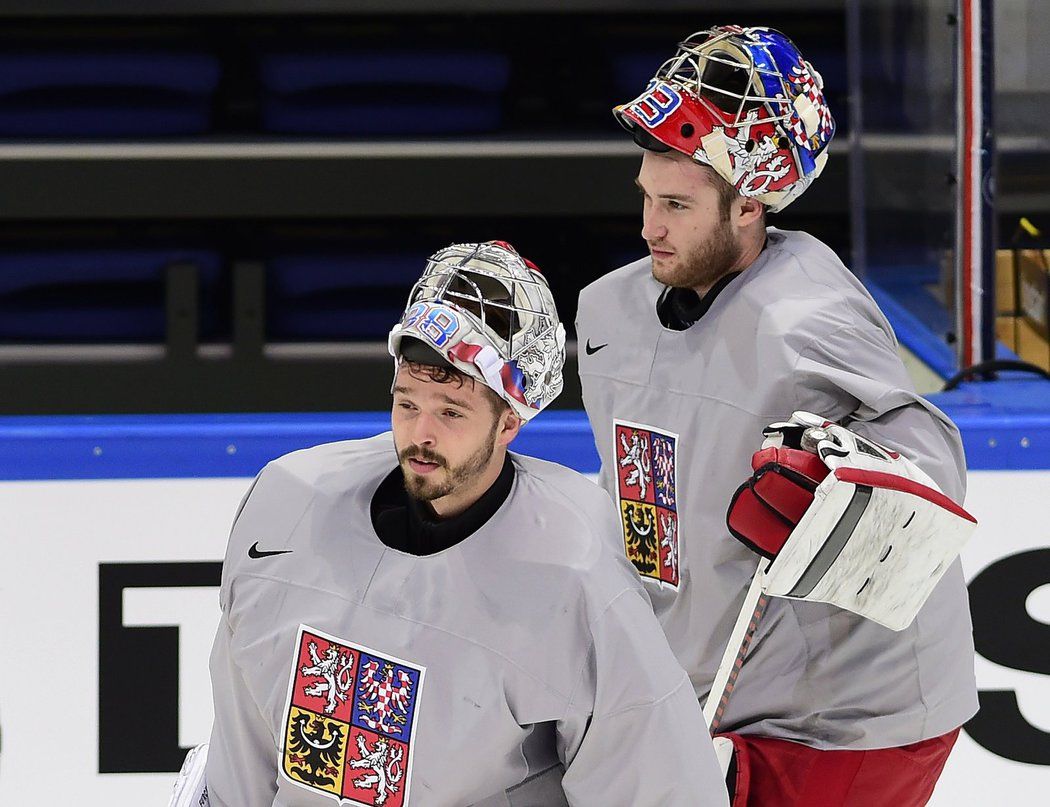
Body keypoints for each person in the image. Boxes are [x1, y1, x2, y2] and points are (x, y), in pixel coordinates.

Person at [575, 26, 978, 806]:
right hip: (711, 685)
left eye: (677, 205)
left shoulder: (809, 317)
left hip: (848, 717)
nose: (650, 227)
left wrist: (838, 491)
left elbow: (936, 464)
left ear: (751, 201)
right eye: (647, 197)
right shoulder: (607, 312)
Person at [187, 240, 728, 806]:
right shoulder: (288, 503)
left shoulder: (577, 569)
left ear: (510, 421)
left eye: (451, 412)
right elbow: (240, 731)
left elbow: (658, 786)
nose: (422, 433)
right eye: (407, 403)